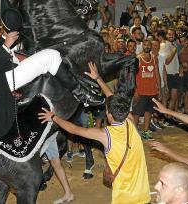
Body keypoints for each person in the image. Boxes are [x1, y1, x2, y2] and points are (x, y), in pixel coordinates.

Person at [0, 4, 104, 138]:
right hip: (3, 80)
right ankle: (82, 94)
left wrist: (4, 39)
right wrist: (7, 45)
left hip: (4, 75)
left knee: (46, 54)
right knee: (51, 56)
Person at [38, 62, 151, 204]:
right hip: (144, 195)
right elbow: (112, 98)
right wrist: (98, 78)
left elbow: (74, 129)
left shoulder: (105, 135)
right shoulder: (130, 121)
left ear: (108, 114)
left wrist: (53, 117)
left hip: (124, 199)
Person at [132, 39, 161, 140]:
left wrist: (159, 88)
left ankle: (145, 131)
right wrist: (135, 91)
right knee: (136, 113)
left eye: (149, 45)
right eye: (145, 45)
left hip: (152, 90)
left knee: (149, 112)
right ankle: (134, 133)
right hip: (141, 91)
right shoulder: (138, 58)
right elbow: (133, 76)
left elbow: (157, 73)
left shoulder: (154, 58)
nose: (147, 46)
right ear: (142, 46)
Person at [40, 133, 74, 204]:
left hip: (43, 134)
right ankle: (68, 193)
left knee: (55, 162)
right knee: (55, 162)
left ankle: (68, 194)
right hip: (47, 133)